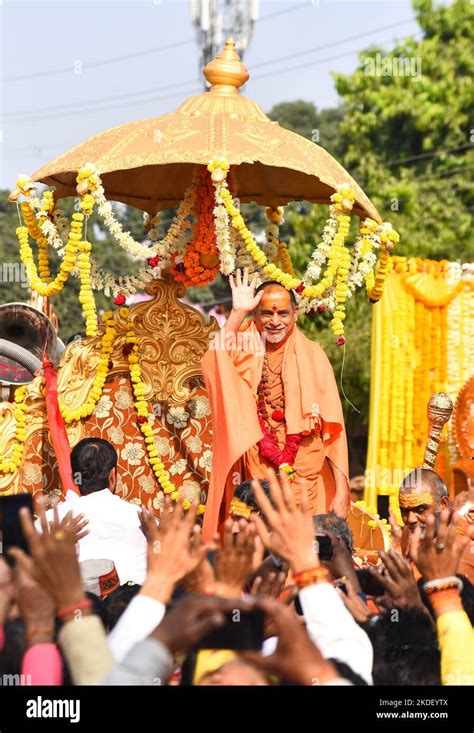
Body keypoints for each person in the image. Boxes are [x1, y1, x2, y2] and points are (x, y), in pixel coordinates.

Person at [201, 267, 349, 539]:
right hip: (260, 465)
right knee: (261, 545)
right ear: (256, 316)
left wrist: (342, 490)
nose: (275, 321)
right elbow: (213, 363)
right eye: (266, 313)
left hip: (305, 471)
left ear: (295, 314)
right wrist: (238, 312)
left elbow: (334, 431)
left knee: (308, 548)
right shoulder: (245, 345)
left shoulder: (314, 355)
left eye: (282, 313)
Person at [37, 438, 148, 585]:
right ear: (112, 475)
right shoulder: (143, 519)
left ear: (74, 477)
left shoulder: (48, 521)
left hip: (73, 605)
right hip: (132, 605)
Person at [397, 467, 473, 583]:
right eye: (404, 511)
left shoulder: (465, 541)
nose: (410, 519)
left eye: (421, 509)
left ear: (443, 504)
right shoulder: (409, 533)